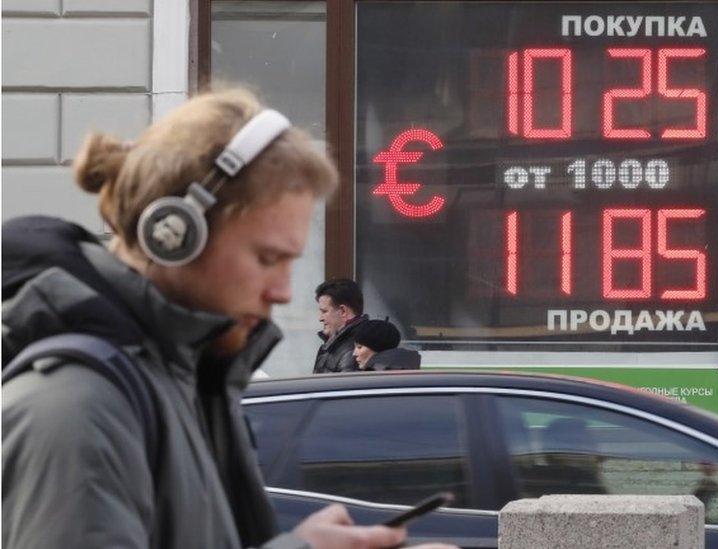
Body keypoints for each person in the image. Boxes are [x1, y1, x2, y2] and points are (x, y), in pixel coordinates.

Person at [1, 88, 452, 549]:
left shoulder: (178, 381)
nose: (282, 291)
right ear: (174, 235)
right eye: (267, 257)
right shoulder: (81, 408)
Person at [313, 278, 368, 373]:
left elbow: (347, 387)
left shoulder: (352, 351)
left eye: (324, 311)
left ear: (343, 311)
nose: (320, 318)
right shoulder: (334, 343)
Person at [352, 319, 421, 371]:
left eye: (359, 347)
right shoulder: (405, 372)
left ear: (378, 348)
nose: (354, 354)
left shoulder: (375, 379)